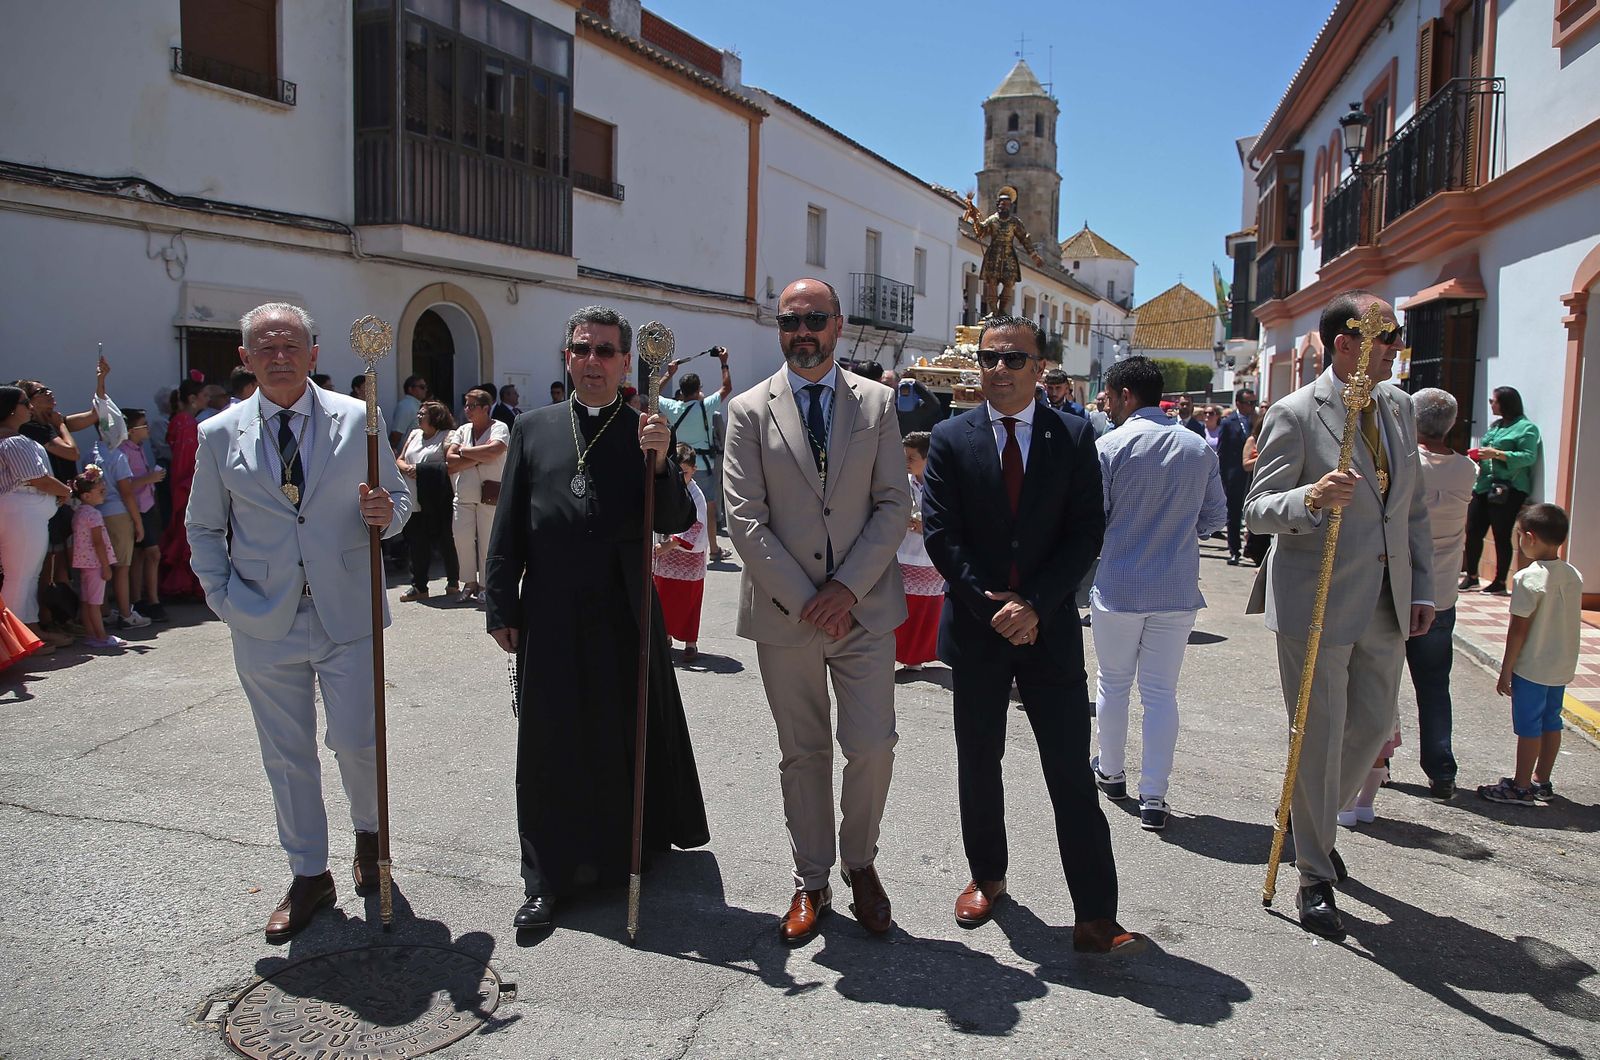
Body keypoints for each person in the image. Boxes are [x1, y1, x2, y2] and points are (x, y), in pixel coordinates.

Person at [186, 302, 411, 943]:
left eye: (291, 345)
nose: (279, 356)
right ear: (245, 359)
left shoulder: (358, 419)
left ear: (314, 354)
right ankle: (309, 872)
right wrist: (222, 598)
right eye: (265, 347)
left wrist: (383, 516)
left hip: (347, 610)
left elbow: (399, 499)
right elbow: (203, 525)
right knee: (287, 755)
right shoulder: (219, 434)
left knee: (358, 740)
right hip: (262, 616)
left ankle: (370, 836)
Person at [921, 315, 1144, 954]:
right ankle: (986, 877)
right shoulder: (949, 438)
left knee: (1070, 770)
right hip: (978, 628)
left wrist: (1037, 605)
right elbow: (941, 534)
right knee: (979, 762)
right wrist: (991, 605)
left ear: (1038, 367)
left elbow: (1085, 531)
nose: (999, 370)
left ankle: (1096, 911)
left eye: (1013, 359)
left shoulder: (1072, 437)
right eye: (989, 359)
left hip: (1048, 632)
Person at [485, 304, 709, 931]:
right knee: (547, 742)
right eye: (583, 349)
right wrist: (500, 600)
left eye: (607, 351)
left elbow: (671, 521)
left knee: (618, 735)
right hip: (550, 605)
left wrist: (663, 463)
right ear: (567, 356)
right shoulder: (531, 428)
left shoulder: (647, 429)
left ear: (625, 362)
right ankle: (545, 877)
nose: (593, 362)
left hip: (621, 605)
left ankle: (618, 858)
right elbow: (508, 526)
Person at [722, 278, 909, 944]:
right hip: (785, 614)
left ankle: (861, 864)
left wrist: (846, 591)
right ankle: (812, 879)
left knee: (872, 746)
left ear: (839, 325)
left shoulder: (879, 404)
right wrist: (809, 601)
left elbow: (894, 504)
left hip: (863, 611)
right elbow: (744, 517)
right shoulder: (748, 409)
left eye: (814, 319)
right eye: (790, 320)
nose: (802, 330)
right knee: (801, 753)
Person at [1243, 289, 1432, 942]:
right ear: (1346, 344)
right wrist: (1311, 497)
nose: (1396, 350)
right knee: (1318, 735)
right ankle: (1313, 876)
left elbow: (1412, 509)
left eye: (1398, 336)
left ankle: (1309, 816)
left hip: (1386, 599)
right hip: (1315, 600)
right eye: (1387, 338)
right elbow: (1257, 508)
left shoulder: (1399, 407)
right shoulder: (1296, 414)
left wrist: (1425, 587)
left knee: (1374, 724)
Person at [1088, 357, 1226, 831]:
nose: (1105, 405)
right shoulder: (1197, 448)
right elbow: (1214, 519)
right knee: (1161, 692)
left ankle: (1110, 769)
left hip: (1121, 584)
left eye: (1108, 396)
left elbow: (1094, 520)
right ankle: (1155, 795)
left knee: (1113, 682)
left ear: (1126, 395)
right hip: (1176, 587)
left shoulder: (1109, 446)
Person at [1479, 504, 1582, 806]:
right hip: (1561, 665)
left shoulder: (1527, 578)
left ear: (1529, 537)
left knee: (1529, 727)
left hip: (1532, 666)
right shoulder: (1573, 575)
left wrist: (1506, 668)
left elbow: (1518, 630)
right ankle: (1542, 780)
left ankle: (1521, 786)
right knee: (1552, 721)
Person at [1404, 388, 1477, 800]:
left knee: (1378, 679)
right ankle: (1442, 769)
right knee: (1434, 685)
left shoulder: (1410, 465)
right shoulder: (1466, 470)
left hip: (1401, 588)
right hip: (1442, 593)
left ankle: (1377, 757)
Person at [0, 385, 74, 647]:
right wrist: (64, 490)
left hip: (21, 512)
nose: (29, 407)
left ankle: (28, 633)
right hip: (22, 513)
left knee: (24, 575)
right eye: (24, 402)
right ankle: (17, 640)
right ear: (10, 409)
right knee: (21, 576)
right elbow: (37, 479)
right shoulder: (14, 442)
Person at [1461, 386, 1541, 596]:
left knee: (1501, 534)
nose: (1491, 405)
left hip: (1508, 489)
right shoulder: (1496, 426)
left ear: (1506, 402)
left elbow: (1528, 457)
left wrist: (1497, 454)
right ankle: (1471, 576)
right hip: (1484, 485)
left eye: (1493, 401)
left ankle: (1500, 580)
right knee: (1473, 530)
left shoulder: (1526, 428)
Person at [660, 353, 733, 562]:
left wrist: (668, 373)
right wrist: (723, 363)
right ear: (699, 388)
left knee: (675, 503)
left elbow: (653, 393)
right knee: (709, 507)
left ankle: (672, 543)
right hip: (702, 465)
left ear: (681, 390)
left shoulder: (674, 408)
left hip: (678, 465)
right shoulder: (705, 406)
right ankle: (714, 549)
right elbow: (727, 388)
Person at [446, 388, 509, 604]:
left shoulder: (499, 427)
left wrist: (464, 452)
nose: (467, 410)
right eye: (466, 405)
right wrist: (479, 455)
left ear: (485, 408)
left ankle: (485, 584)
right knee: (461, 538)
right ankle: (468, 582)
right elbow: (450, 460)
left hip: (489, 493)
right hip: (464, 493)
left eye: (472, 406)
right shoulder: (463, 430)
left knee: (487, 540)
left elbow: (495, 451)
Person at [396, 401, 459, 602]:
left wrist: (421, 470)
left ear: (436, 417)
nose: (419, 417)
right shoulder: (414, 434)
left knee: (446, 540)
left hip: (438, 497)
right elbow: (401, 458)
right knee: (416, 542)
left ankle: (453, 581)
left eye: (423, 414)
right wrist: (407, 468)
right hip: (414, 496)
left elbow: (450, 463)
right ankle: (419, 585)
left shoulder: (447, 436)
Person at [653, 443, 710, 662]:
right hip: (667, 556)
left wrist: (669, 544)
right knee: (664, 596)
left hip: (687, 557)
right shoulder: (670, 490)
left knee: (689, 600)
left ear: (694, 470)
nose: (680, 477)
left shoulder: (696, 495)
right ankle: (665, 635)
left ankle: (690, 642)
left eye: (684, 472)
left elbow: (697, 524)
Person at [894, 431, 941, 670]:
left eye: (911, 458)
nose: (906, 462)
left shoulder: (943, 484)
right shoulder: (900, 481)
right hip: (903, 552)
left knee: (926, 609)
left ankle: (918, 656)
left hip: (930, 557)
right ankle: (899, 653)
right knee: (902, 605)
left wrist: (928, 525)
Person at [962, 187, 1045, 317]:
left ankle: (1002, 310)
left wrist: (1034, 255)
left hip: (1008, 255)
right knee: (992, 282)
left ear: (1010, 206)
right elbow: (981, 232)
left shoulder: (1015, 222)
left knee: (1009, 282)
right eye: (1001, 204)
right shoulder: (992, 220)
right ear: (997, 205)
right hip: (993, 255)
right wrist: (975, 219)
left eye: (1006, 205)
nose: (1003, 207)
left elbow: (1024, 238)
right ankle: (993, 311)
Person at [157, 379, 206, 599]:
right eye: (204, 395)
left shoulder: (181, 420)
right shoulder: (186, 422)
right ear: (193, 399)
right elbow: (185, 462)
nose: (207, 399)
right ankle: (184, 584)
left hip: (183, 484)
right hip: (186, 485)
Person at [118, 410, 168, 622]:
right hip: (137, 508)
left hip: (146, 506)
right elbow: (126, 484)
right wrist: (150, 478)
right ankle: (150, 600)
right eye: (143, 425)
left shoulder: (138, 448)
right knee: (150, 554)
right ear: (130, 430)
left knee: (143, 555)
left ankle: (141, 599)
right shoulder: (123, 452)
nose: (147, 428)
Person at [70, 468, 126, 651]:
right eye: (100, 491)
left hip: (84, 564)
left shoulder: (79, 513)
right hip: (95, 564)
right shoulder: (94, 515)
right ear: (86, 495)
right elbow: (98, 542)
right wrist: (106, 566)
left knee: (86, 601)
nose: (104, 494)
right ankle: (101, 636)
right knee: (95, 602)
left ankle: (90, 634)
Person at [1218, 388, 1256, 565]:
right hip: (1234, 475)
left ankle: (1254, 548)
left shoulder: (1257, 421)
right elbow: (1222, 452)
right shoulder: (1228, 423)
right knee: (1233, 514)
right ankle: (1234, 549)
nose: (1252, 406)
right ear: (1239, 404)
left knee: (1253, 511)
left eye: (1254, 402)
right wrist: (1223, 478)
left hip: (1254, 474)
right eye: (1249, 403)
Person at [389, 375, 428, 452]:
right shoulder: (406, 405)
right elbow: (396, 433)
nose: (425, 390)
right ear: (410, 389)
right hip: (405, 455)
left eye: (426, 387)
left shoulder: (417, 405)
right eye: (422, 387)